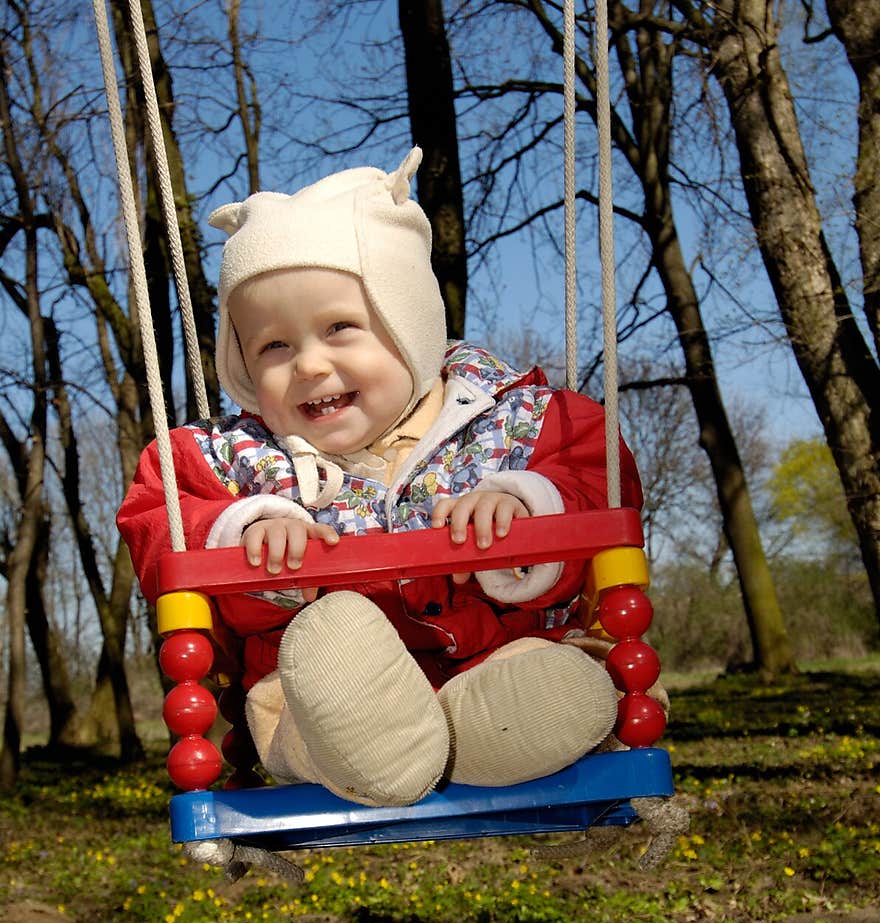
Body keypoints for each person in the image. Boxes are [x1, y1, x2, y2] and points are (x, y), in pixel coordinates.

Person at [117, 147, 643, 811]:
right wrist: (244, 528)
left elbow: (602, 474)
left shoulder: (512, 421)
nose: (308, 363)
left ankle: (481, 738)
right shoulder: (236, 460)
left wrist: (523, 499)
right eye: (273, 345)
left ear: (410, 326)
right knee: (321, 669)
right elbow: (153, 515)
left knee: (559, 689)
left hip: (500, 664)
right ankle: (387, 749)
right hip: (314, 708)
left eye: (340, 328)